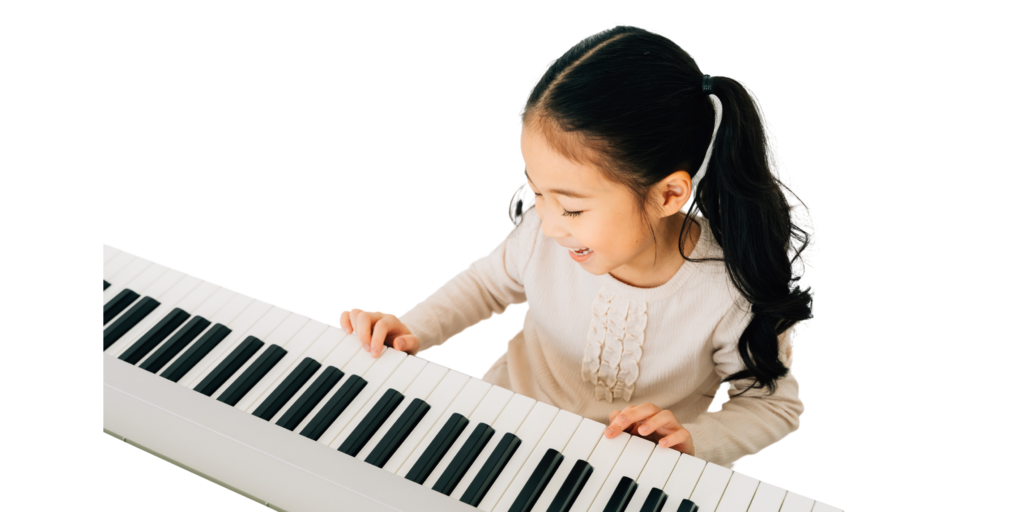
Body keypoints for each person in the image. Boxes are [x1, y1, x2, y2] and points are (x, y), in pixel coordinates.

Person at [340, 25, 813, 467]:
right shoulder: (544, 240)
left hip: (612, 472)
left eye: (571, 208)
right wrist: (412, 329)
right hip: (497, 429)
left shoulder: (728, 293)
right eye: (537, 194)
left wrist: (693, 440)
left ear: (669, 194)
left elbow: (772, 406)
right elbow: (485, 285)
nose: (547, 226)